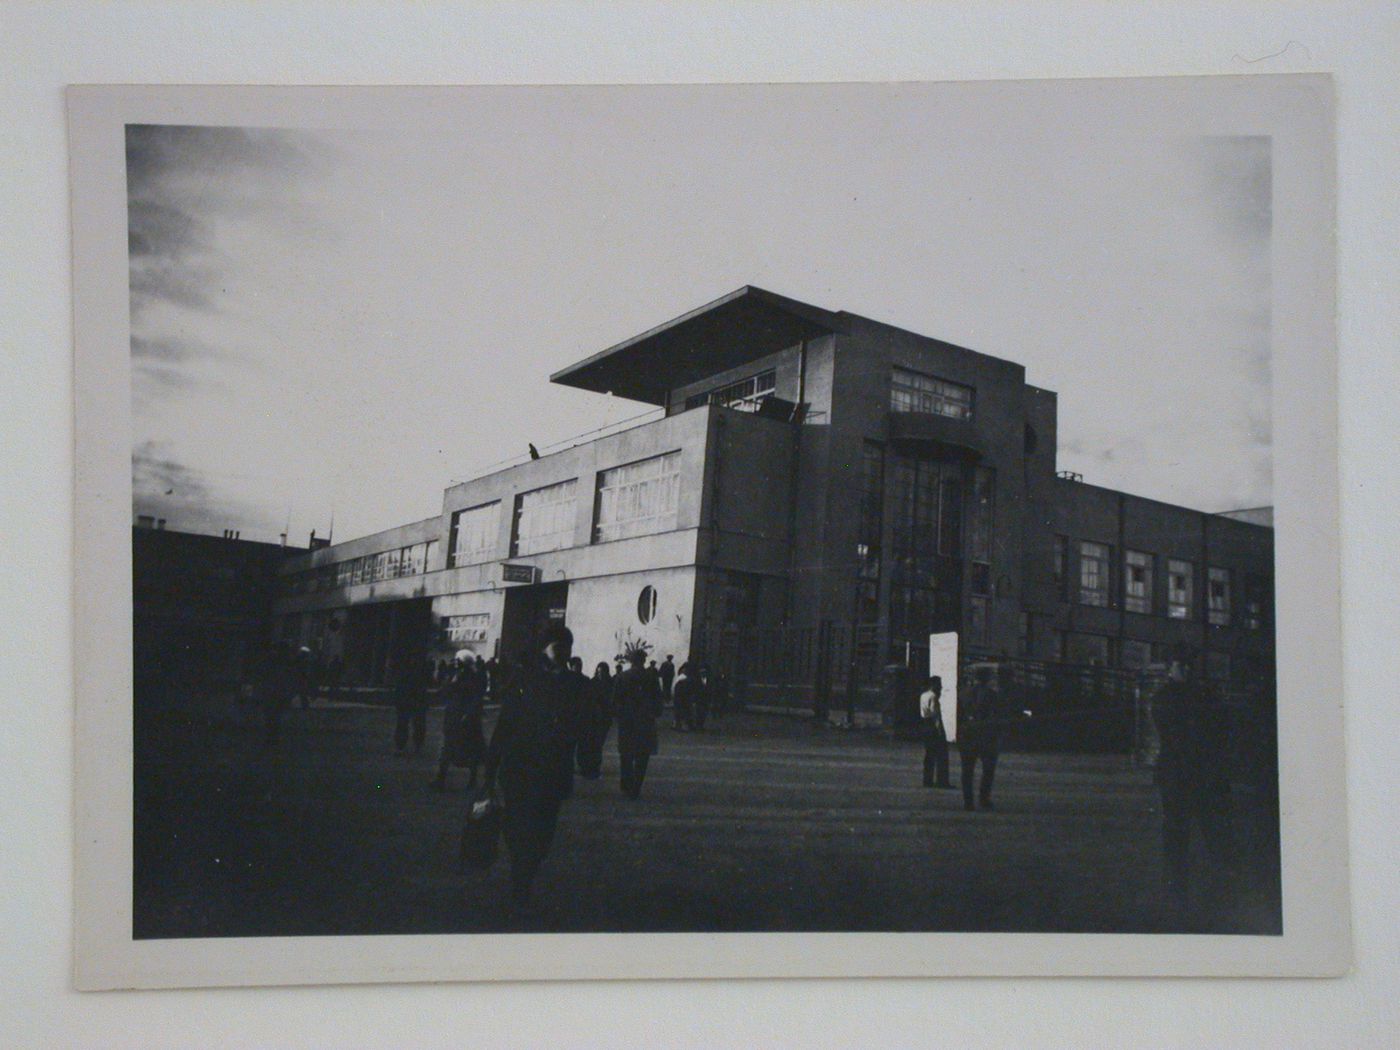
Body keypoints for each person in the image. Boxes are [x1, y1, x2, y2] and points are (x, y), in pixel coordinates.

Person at [481, 623, 586, 907]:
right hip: (520, 767)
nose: (564, 652)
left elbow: (584, 726)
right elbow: (504, 728)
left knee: (543, 833)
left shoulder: (575, 684)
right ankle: (521, 877)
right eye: (557, 646)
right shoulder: (524, 681)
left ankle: (527, 867)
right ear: (545, 649)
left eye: (567, 647)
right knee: (517, 827)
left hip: (553, 771)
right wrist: (489, 773)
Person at [1153, 647, 1236, 910]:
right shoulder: (1178, 697)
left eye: (1188, 666)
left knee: (1190, 829)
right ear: (1171, 668)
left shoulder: (1170, 697)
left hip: (1183, 773)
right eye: (1181, 666)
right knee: (1191, 829)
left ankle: (1183, 886)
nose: (1186, 671)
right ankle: (1183, 885)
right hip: (1187, 772)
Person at [430, 654, 486, 792]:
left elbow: (475, 698)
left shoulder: (472, 678)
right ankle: (441, 778)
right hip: (454, 716)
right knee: (447, 748)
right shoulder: (457, 676)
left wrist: (469, 714)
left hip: (465, 718)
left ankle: (471, 779)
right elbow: (446, 691)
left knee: (468, 750)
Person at [614, 648, 662, 798]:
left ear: (631, 661)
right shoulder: (651, 677)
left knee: (626, 755)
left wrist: (618, 715)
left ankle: (626, 786)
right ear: (644, 660)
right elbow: (657, 700)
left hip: (627, 721)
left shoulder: (622, 677)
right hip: (645, 721)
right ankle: (636, 787)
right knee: (642, 756)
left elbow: (615, 700)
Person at [958, 666, 1002, 811]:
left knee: (967, 771)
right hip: (985, 736)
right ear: (988, 678)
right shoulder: (992, 695)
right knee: (988, 770)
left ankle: (968, 801)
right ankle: (984, 798)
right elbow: (995, 716)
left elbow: (960, 716)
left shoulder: (964, 693)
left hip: (968, 735)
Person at [575, 661, 614, 779]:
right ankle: (590, 766)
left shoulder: (609, 683)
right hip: (593, 717)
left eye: (602, 672)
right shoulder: (594, 683)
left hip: (603, 718)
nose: (600, 674)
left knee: (598, 744)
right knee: (593, 743)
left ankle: (593, 766)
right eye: (598, 672)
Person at [393, 650, 433, 755]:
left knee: (406, 724)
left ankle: (405, 746)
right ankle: (411, 746)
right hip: (414, 700)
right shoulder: (421, 671)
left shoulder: (405, 671)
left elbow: (399, 686)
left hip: (410, 700)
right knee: (412, 725)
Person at [919, 675, 952, 789]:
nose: (941, 688)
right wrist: (940, 731)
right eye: (939, 685)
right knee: (941, 754)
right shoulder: (933, 697)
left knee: (929, 754)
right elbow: (935, 715)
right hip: (933, 726)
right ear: (934, 685)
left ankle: (927, 779)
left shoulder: (923, 695)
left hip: (925, 724)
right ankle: (942, 781)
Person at [671, 661, 693, 730]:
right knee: (684, 710)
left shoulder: (680, 678)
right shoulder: (685, 678)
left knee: (679, 710)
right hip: (682, 696)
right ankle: (682, 725)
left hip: (679, 696)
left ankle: (677, 724)